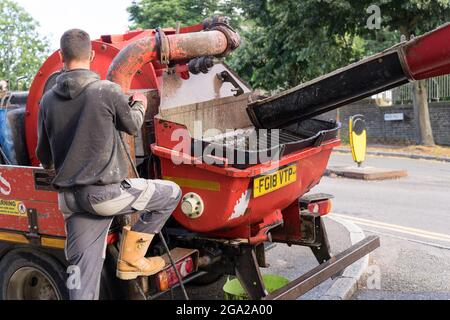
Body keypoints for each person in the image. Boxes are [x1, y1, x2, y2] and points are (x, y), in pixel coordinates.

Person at [36, 29, 182, 300]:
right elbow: (132, 125)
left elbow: (43, 156)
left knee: (82, 283)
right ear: (91, 55)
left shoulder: (46, 101)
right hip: (105, 196)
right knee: (171, 193)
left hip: (70, 201)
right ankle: (131, 259)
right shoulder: (106, 90)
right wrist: (140, 103)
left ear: (60, 56)